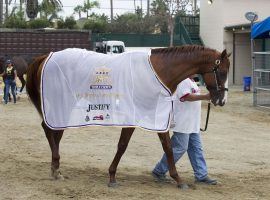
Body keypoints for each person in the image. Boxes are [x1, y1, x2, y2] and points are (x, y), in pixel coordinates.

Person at [152, 76, 217, 185]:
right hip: (183, 122)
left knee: (196, 148)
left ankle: (201, 175)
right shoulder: (182, 80)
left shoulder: (192, 81)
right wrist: (205, 96)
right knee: (179, 148)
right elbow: (185, 96)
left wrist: (206, 96)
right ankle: (159, 171)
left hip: (192, 123)